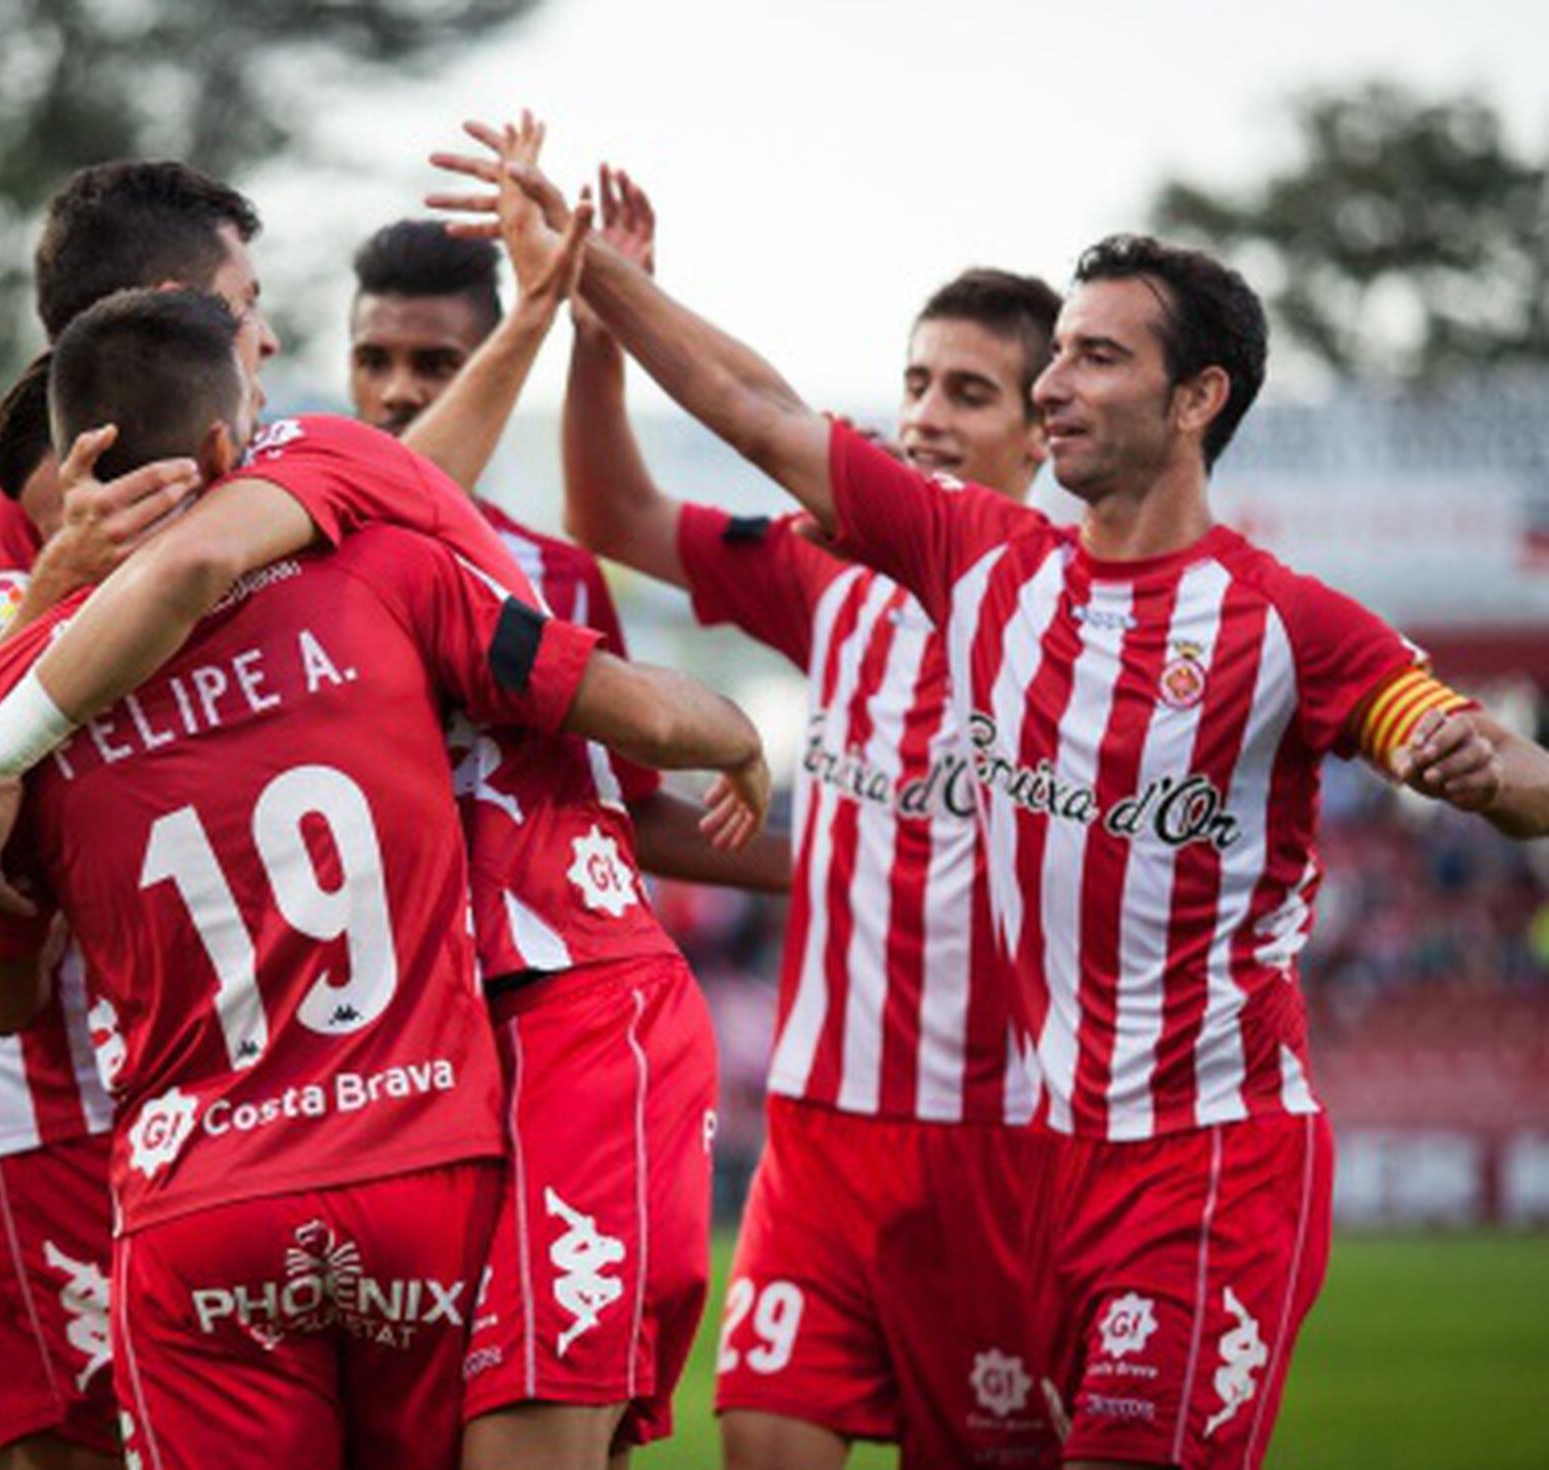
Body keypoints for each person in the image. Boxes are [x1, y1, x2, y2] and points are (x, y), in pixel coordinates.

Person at [436, 132, 1549, 1470]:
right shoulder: (976, 562)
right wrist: (588, 282)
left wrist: (1488, 770)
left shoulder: (1282, 620)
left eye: (1093, 359)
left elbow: (1479, 750)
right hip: (1013, 1160)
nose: (1055, 386)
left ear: (1198, 398)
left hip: (1203, 1160)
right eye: (1058, 354)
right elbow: (757, 414)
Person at [0, 123, 747, 1470]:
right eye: (253, 317)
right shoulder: (372, 548)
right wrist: (736, 736)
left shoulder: (4, 640)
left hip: (201, 1193)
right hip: (425, 1144)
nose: (277, 347)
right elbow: (645, 708)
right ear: (213, 385)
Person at [556, 160, 1061, 1470]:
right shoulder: (824, 573)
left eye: (969, 392)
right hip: (819, 1134)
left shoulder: (1066, 605)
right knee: (763, 1440)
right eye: (913, 383)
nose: (927, 416)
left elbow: (758, 409)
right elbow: (614, 514)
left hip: (995, 1149)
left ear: (1045, 431)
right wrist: (601, 348)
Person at [0, 159, 282, 1469]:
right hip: (23, 1084)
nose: (265, 335)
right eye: (243, 300)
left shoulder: (60, 489)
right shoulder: (31, 506)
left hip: (93, 1079)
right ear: (172, 304)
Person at [349, 211, 789, 892]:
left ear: (501, 362)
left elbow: (622, 807)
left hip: (508, 980)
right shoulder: (287, 546)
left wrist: (848, 872)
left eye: (436, 365)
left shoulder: (558, 577)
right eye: (372, 360)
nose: (397, 389)